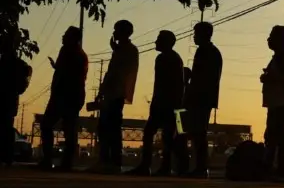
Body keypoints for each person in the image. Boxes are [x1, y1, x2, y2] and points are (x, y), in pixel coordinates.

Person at [129, 30, 184, 177]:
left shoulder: (166, 59)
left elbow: (165, 85)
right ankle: (162, 166)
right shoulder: (172, 58)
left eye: (159, 39)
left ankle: (150, 165)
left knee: (157, 134)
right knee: (166, 136)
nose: (156, 42)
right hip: (169, 103)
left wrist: (158, 103)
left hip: (166, 103)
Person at [91, 20, 138, 173]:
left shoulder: (127, 50)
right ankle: (107, 160)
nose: (114, 33)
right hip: (112, 93)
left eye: (116, 30)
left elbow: (116, 72)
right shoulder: (122, 50)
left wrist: (117, 51)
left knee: (110, 128)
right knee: (106, 127)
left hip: (116, 94)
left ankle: (111, 161)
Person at [176, 22, 222, 178]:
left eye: (196, 34)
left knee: (194, 133)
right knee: (194, 133)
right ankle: (195, 167)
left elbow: (202, 79)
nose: (194, 37)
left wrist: (189, 88)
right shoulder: (210, 52)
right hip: (200, 99)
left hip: (199, 99)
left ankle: (197, 167)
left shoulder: (206, 52)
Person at [38, 27, 88, 171]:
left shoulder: (73, 53)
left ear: (73, 38)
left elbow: (68, 75)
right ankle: (63, 162)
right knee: (67, 128)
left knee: (55, 126)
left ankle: (52, 160)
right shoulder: (73, 53)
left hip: (66, 96)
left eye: (66, 35)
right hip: (67, 96)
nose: (63, 37)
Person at [260, 25, 284, 180]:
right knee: (274, 136)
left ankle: (278, 169)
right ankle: (275, 168)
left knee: (277, 137)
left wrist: (269, 78)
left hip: (280, 103)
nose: (269, 39)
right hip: (276, 103)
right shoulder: (278, 57)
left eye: (272, 36)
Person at [0, 35, 33, 167]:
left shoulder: (13, 64)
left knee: (7, 128)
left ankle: (6, 157)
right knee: (7, 128)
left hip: (8, 99)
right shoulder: (17, 64)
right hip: (10, 100)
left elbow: (26, 74)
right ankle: (7, 157)